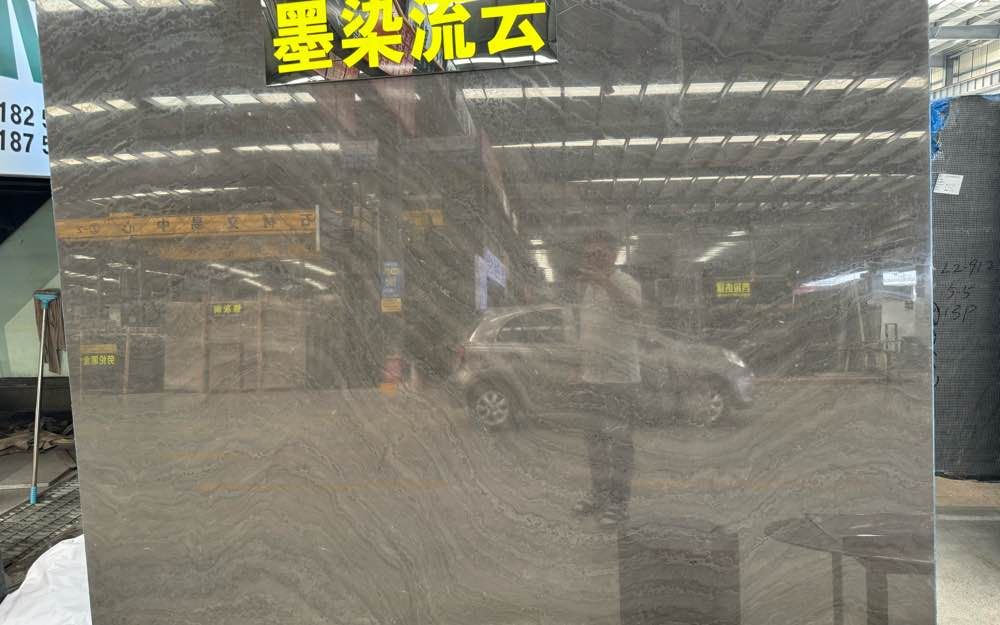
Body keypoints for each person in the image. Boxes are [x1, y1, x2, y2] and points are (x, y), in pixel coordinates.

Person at [572, 230, 642, 528]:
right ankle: (599, 495)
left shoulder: (625, 282)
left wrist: (605, 282)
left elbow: (632, 311)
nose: (592, 260)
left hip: (619, 381)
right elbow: (589, 331)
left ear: (613, 255)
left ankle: (618, 504)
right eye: (588, 255)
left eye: (599, 254)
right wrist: (580, 368)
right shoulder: (588, 290)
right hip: (592, 378)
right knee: (595, 443)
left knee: (619, 445)